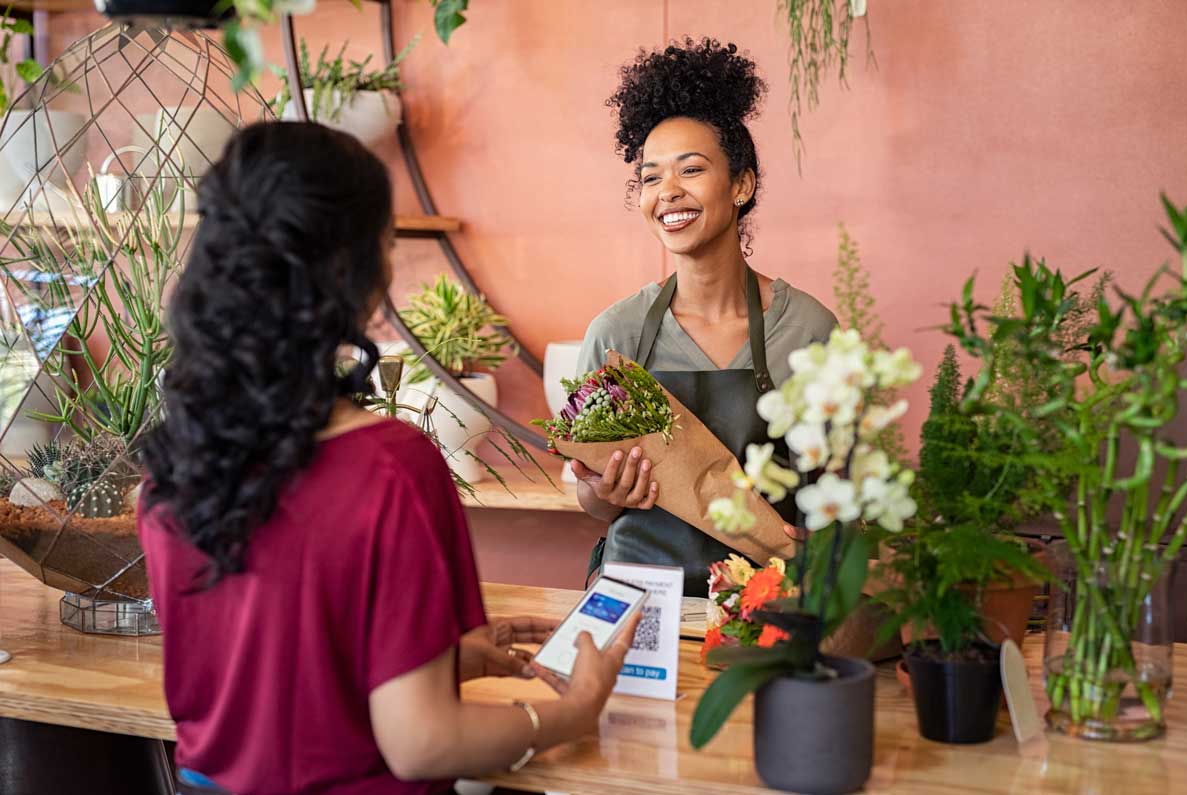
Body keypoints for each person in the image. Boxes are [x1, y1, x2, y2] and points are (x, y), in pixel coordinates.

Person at [139, 122, 637, 795]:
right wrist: (573, 710)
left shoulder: (174, 467)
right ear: (355, 275)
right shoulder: (390, 469)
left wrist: (442, 658)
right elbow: (421, 742)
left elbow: (272, 671)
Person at [575, 38, 837, 596]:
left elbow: (838, 494)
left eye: (690, 170)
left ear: (741, 185)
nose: (667, 192)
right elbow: (591, 502)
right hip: (641, 602)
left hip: (766, 607)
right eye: (649, 178)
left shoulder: (808, 331)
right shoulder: (617, 335)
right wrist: (607, 490)